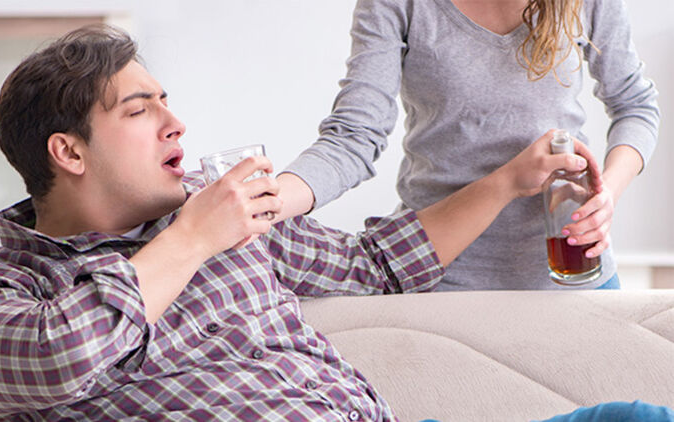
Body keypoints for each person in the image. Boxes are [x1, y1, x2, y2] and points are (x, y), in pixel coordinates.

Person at [0, 25, 670, 422]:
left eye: (166, 100)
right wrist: (192, 238)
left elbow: (379, 266)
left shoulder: (230, 223)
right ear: (68, 152)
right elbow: (59, 355)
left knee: (637, 419)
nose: (175, 122)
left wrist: (506, 182)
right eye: (139, 110)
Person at [274, 0, 660, 291]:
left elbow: (635, 106)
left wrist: (606, 193)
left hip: (573, 268)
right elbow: (354, 136)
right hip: (441, 274)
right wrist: (267, 203)